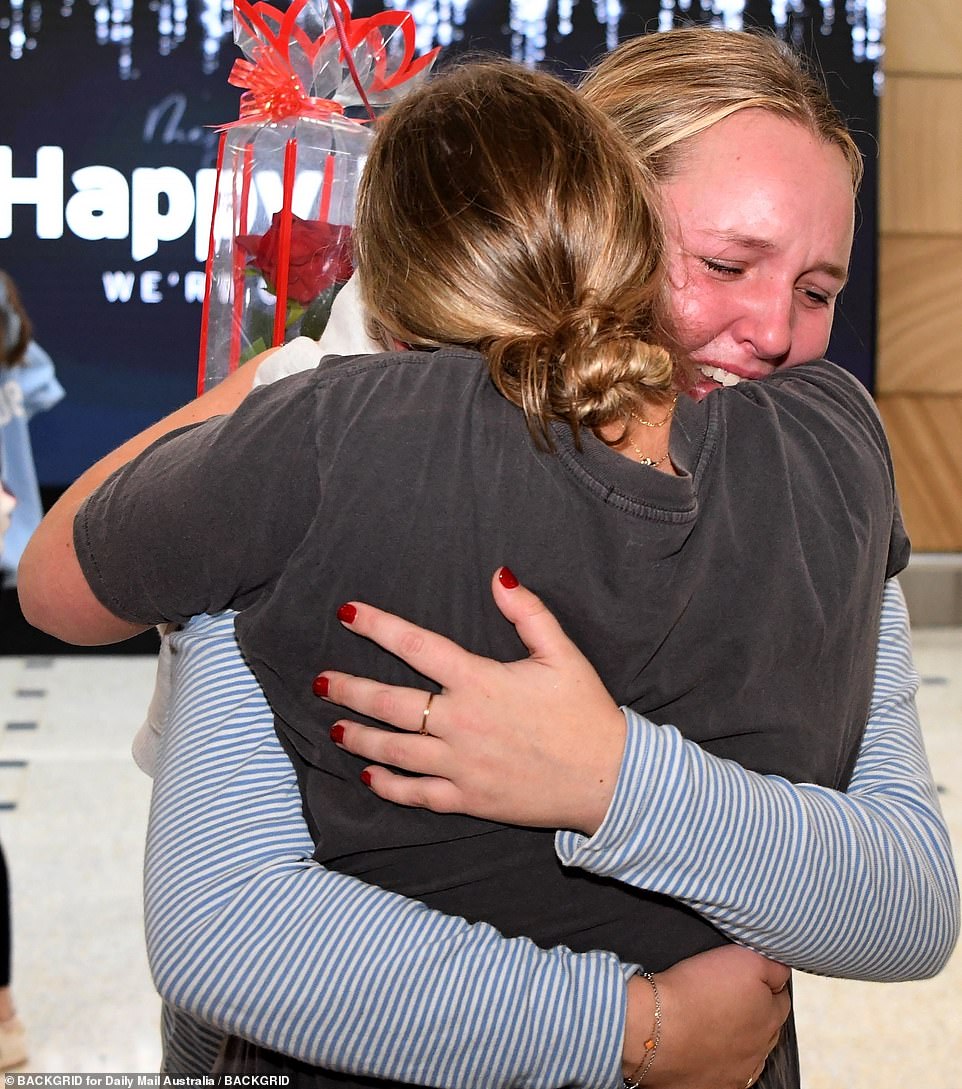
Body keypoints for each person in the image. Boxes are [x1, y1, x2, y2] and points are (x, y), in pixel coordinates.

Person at [17, 49, 952, 1089]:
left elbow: (905, 899)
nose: (774, 332)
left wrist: (611, 779)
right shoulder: (349, 430)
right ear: (580, 217)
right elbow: (234, 920)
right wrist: (637, 1029)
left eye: (817, 289)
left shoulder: (808, 469)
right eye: (725, 266)